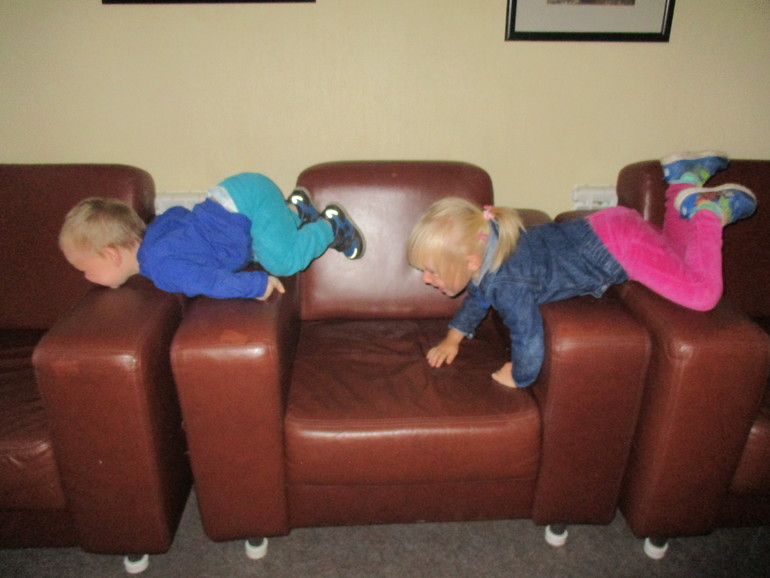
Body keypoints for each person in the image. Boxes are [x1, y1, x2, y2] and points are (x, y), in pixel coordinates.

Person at [407, 151, 756, 388]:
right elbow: (477, 298)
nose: (425, 279)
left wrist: (520, 375)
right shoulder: (489, 242)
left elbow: (528, 335)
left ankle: (709, 212)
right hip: (607, 228)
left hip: (619, 248)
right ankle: (683, 178)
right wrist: (453, 337)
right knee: (678, 254)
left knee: (703, 294)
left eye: (433, 271)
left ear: (470, 261)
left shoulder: (508, 283)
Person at [59, 172, 364, 299]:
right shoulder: (156, 236)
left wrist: (256, 286)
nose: (85, 277)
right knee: (259, 247)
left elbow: (211, 282)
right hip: (236, 194)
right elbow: (176, 213)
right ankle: (297, 212)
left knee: (282, 263)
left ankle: (331, 227)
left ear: (111, 255)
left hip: (247, 203)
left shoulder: (161, 267)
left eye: (84, 268)